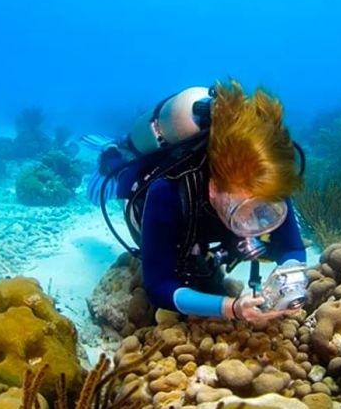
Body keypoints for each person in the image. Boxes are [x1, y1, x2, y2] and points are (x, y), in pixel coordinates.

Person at [83, 80, 308, 323]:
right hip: (150, 195)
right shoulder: (168, 192)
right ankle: (111, 152)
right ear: (213, 189)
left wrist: (290, 278)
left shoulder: (266, 184)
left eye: (262, 209)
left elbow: (293, 248)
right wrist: (231, 307)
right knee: (123, 177)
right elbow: (159, 287)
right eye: (240, 208)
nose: (251, 223)